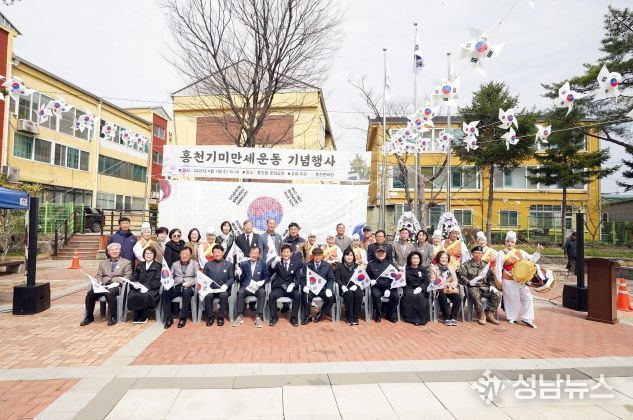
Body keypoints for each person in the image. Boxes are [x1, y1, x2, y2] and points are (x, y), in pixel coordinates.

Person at [496, 231, 542, 328]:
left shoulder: (520, 252)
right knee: (513, 298)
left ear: (515, 242)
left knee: (527, 297)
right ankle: (512, 317)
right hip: (508, 278)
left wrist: (537, 251)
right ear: (505, 242)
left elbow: (531, 260)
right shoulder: (501, 253)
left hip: (521, 278)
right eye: (508, 241)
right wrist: (499, 280)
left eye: (512, 242)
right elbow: (498, 267)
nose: (510, 244)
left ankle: (528, 318)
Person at [80, 242, 132, 326]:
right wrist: (99, 282)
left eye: (116, 249)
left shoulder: (126, 262)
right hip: (103, 285)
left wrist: (118, 283)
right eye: (112, 250)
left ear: (120, 251)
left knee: (109, 293)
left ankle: (113, 316)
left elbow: (128, 276)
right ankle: (89, 316)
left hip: (116, 286)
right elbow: (99, 275)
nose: (115, 251)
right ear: (108, 252)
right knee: (90, 294)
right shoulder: (103, 263)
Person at [457, 246, 501, 326]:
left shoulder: (485, 265)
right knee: (475, 294)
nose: (478, 255)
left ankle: (490, 313)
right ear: (472, 254)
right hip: (473, 287)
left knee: (497, 294)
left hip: (485, 287)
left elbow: (490, 278)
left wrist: (492, 285)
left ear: (482, 254)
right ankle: (481, 314)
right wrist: (469, 282)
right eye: (476, 253)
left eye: (480, 253)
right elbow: (461, 276)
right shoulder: (466, 264)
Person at [162, 246, 199, 329]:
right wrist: (169, 283)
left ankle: (182, 318)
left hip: (189, 286)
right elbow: (170, 276)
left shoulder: (195, 264)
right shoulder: (175, 264)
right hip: (177, 286)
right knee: (165, 293)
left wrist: (190, 283)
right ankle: (168, 318)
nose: (184, 256)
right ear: (180, 255)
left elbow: (198, 277)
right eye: (182, 254)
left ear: (190, 255)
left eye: (186, 254)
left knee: (186, 293)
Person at [233, 245, 268, 328]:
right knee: (240, 292)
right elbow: (239, 280)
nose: (254, 255)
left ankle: (258, 316)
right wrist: (238, 274)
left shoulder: (262, 263)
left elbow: (267, 276)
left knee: (262, 292)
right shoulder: (243, 263)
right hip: (246, 287)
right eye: (252, 253)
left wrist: (263, 281)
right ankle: (240, 315)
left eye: (256, 253)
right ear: (249, 254)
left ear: (259, 254)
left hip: (257, 287)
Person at [268, 244, 302, 326]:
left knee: (297, 295)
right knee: (272, 295)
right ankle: (274, 318)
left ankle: (294, 318)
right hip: (279, 287)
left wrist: (293, 285)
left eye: (287, 252)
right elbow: (270, 270)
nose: (285, 254)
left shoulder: (296, 263)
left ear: (291, 253)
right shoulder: (278, 262)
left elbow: (298, 278)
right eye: (284, 252)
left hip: (290, 288)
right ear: (281, 253)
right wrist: (274, 262)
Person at [202, 244, 235, 327]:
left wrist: (226, 285)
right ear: (212, 254)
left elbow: (232, 278)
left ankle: (220, 317)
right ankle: (210, 317)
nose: (216, 254)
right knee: (208, 296)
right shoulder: (208, 264)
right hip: (211, 289)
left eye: (218, 252)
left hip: (223, 289)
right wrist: (207, 287)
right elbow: (203, 278)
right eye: (214, 252)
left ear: (223, 253)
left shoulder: (229, 264)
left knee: (224, 295)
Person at [127, 247, 161, 323]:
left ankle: (144, 316)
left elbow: (158, 281)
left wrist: (148, 287)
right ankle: (136, 316)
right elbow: (134, 278)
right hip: (139, 288)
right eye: (146, 253)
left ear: (154, 255)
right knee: (133, 294)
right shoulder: (139, 265)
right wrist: (135, 285)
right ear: (143, 255)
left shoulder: (158, 266)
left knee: (145, 295)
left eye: (150, 253)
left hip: (151, 289)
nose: (148, 255)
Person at [367, 245, 400, 323]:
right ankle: (378, 315)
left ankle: (390, 315)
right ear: (376, 253)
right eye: (379, 252)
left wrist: (389, 288)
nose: (381, 254)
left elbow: (397, 277)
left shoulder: (390, 264)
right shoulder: (371, 264)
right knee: (376, 295)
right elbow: (367, 277)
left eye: (383, 253)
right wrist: (370, 280)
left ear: (385, 253)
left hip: (389, 287)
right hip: (377, 286)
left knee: (395, 296)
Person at [302, 247, 335, 324]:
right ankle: (308, 316)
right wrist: (304, 286)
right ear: (312, 256)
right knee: (306, 296)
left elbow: (331, 279)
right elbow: (303, 278)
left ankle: (321, 313)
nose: (317, 257)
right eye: (316, 255)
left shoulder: (327, 265)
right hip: (311, 289)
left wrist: (329, 288)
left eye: (319, 255)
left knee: (331, 298)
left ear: (322, 256)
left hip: (323, 289)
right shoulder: (307, 265)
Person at [430, 251, 461, 326]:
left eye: (446, 258)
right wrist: (441, 285)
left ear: (448, 259)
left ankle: (453, 318)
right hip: (439, 289)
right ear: (439, 258)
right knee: (442, 296)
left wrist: (451, 285)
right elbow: (432, 281)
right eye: (442, 258)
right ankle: (446, 318)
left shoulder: (451, 268)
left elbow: (455, 281)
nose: (444, 259)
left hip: (449, 289)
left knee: (457, 298)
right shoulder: (434, 268)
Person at [400, 251, 430, 326]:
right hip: (408, 287)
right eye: (414, 258)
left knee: (420, 297)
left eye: (417, 258)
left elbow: (426, 281)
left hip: (420, 288)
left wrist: (421, 288)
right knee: (410, 296)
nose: (416, 260)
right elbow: (401, 280)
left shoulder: (423, 269)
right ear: (410, 259)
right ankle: (410, 318)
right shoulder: (405, 269)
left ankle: (420, 319)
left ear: (420, 260)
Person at [336, 248, 363, 325]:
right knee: (349, 294)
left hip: (355, 286)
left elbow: (361, 278)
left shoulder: (357, 266)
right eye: (347, 255)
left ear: (353, 257)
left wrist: (356, 285)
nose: (349, 257)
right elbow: (337, 279)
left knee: (359, 294)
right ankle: (349, 317)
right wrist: (342, 286)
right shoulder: (339, 266)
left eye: (351, 255)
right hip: (344, 288)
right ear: (344, 256)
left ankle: (355, 317)